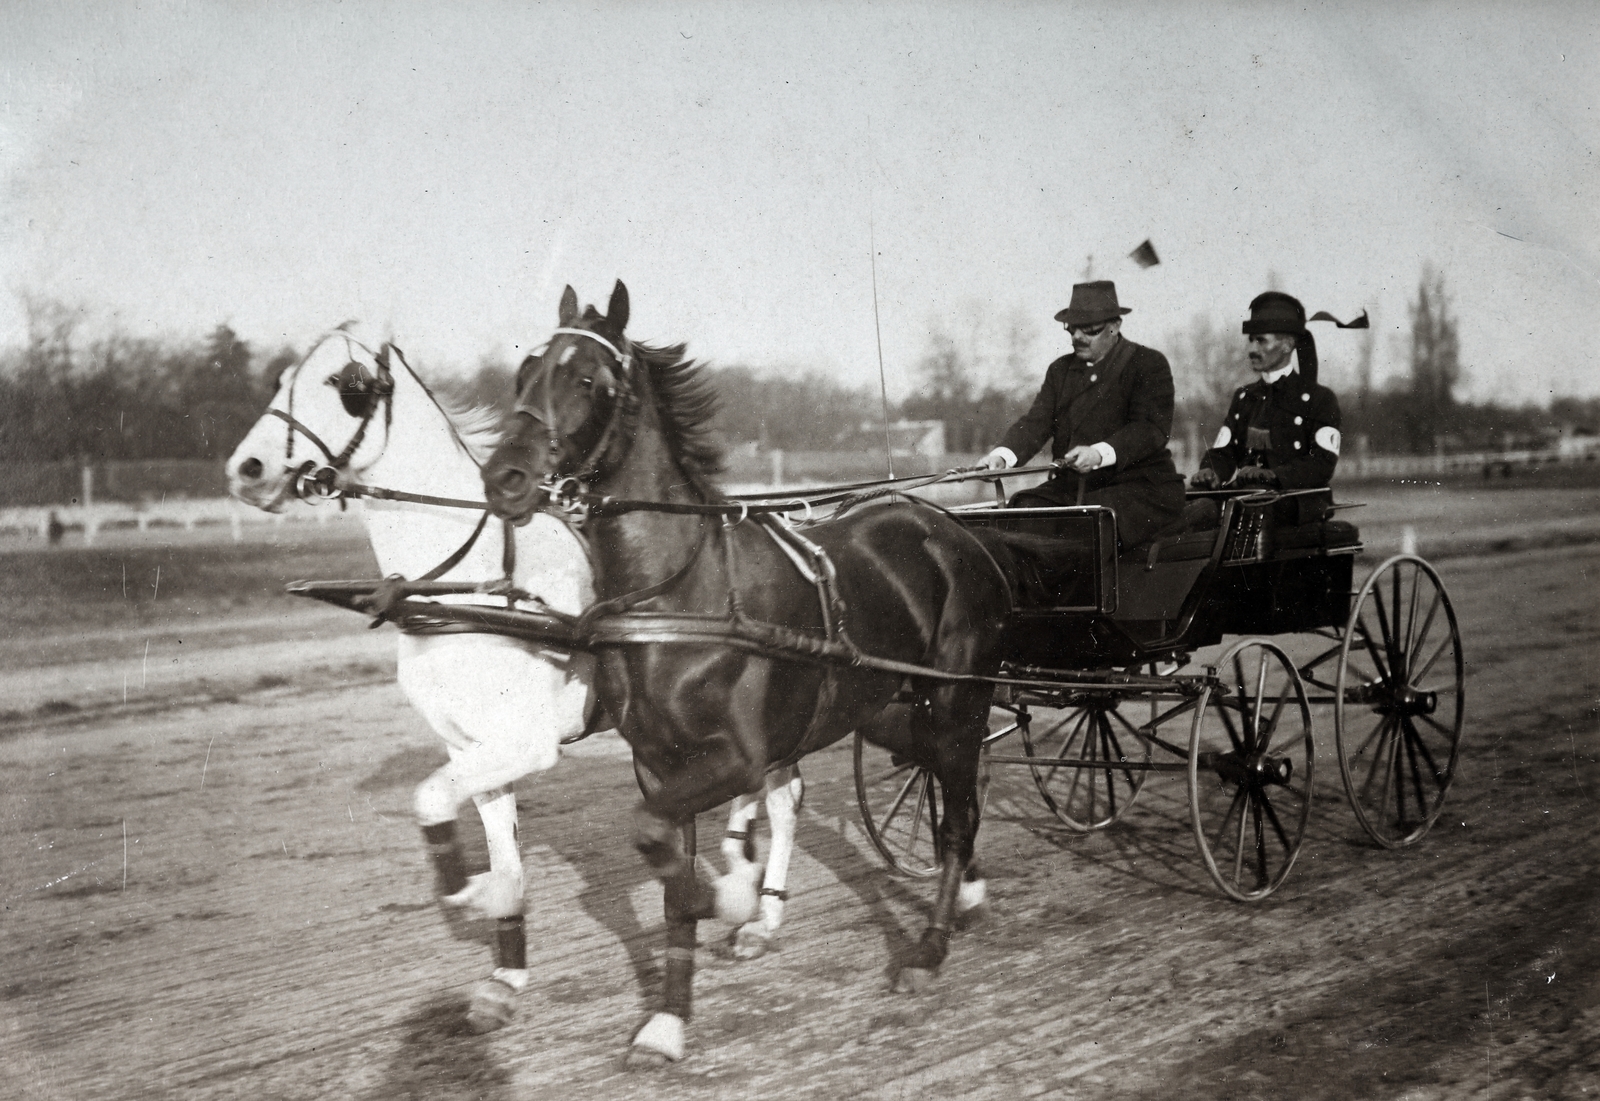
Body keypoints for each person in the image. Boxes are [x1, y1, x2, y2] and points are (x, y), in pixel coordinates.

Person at [979, 280, 1185, 549]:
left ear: (1115, 326)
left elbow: (1150, 429)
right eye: (1072, 329)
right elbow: (1036, 422)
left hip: (1140, 490)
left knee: (1081, 529)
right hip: (1075, 487)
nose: (1077, 337)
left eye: (1089, 330)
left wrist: (1099, 453)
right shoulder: (1060, 371)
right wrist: (1001, 457)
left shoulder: (1148, 364)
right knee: (1023, 510)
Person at [1191, 291, 1342, 491]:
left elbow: (1322, 463)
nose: (1252, 349)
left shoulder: (1319, 399)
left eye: (1261, 341)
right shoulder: (1244, 396)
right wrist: (1211, 471)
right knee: (1191, 508)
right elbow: (1224, 451)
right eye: (1251, 340)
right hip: (1248, 494)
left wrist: (1274, 476)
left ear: (1287, 345)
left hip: (1293, 499)